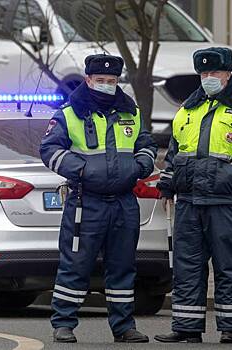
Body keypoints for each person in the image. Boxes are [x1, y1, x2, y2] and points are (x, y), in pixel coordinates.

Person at [154, 47, 232, 344]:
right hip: (189, 201)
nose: (209, 78)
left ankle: (229, 328)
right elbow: (175, 151)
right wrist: (168, 184)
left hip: (226, 201)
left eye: (215, 73)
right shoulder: (187, 110)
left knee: (228, 266)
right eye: (204, 73)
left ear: (228, 73)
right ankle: (187, 327)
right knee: (187, 266)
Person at [40, 54, 157, 343]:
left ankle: (123, 326)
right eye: (101, 80)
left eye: (112, 81)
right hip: (85, 202)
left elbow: (146, 144)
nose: (107, 85)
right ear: (88, 80)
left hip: (123, 202)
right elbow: (49, 150)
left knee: (123, 265)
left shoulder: (132, 112)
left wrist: (141, 165)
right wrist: (80, 169)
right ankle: (64, 323)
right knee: (76, 264)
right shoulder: (68, 114)